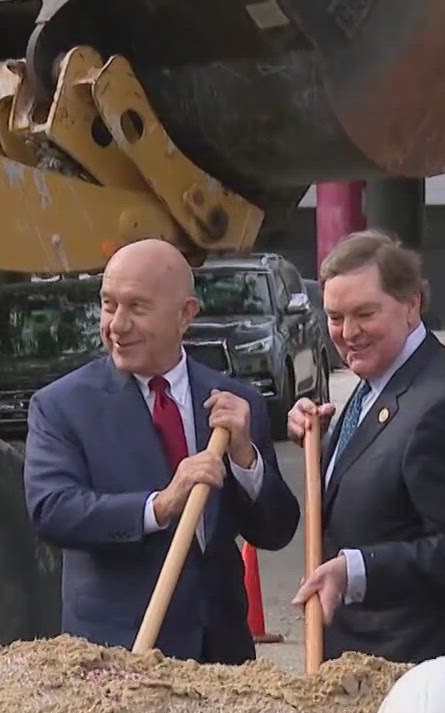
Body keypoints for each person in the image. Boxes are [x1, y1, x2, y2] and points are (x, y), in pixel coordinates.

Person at [24, 238, 300, 662]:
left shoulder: (234, 402)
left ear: (185, 314)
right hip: (118, 656)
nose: (116, 325)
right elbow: (53, 510)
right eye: (108, 304)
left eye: (137, 307)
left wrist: (247, 462)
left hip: (220, 655)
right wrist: (161, 505)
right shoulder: (62, 406)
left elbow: (276, 532)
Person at [288, 231, 445, 663]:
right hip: (361, 660)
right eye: (334, 317)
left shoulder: (444, 403)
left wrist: (355, 570)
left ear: (411, 305)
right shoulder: (375, 385)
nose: (348, 333)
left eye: (365, 313)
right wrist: (322, 444)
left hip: (413, 671)